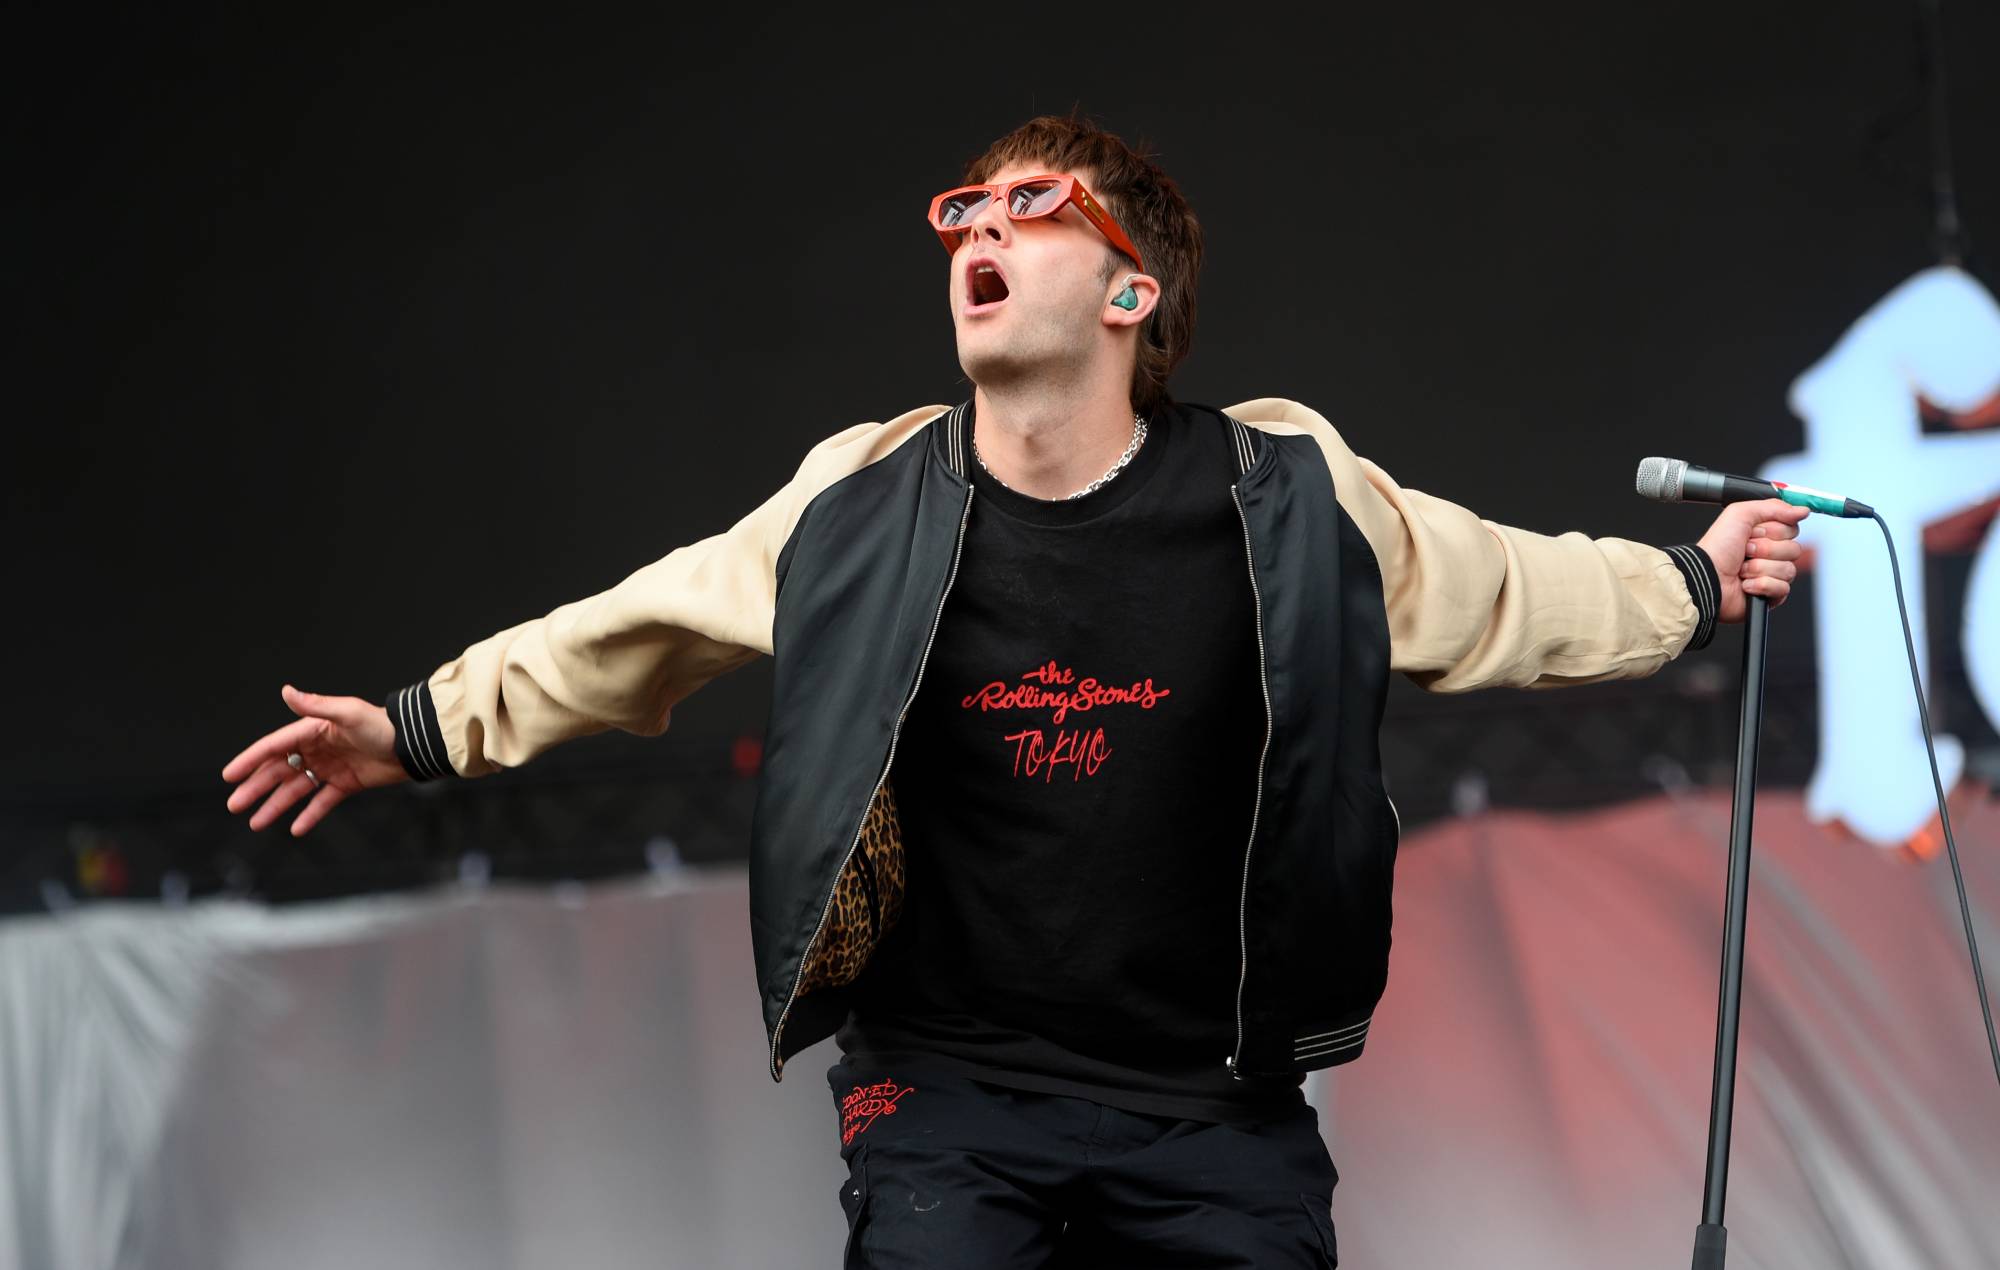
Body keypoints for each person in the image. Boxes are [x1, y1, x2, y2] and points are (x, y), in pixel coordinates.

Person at [222, 114, 1806, 1268]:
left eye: (1032, 208)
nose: (979, 228)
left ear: (1132, 297)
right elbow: (639, 628)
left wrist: (1690, 577)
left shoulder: (1286, 488)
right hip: (950, 1097)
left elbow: (1502, 588)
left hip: (1216, 1108)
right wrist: (415, 727)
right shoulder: (865, 495)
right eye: (964, 208)